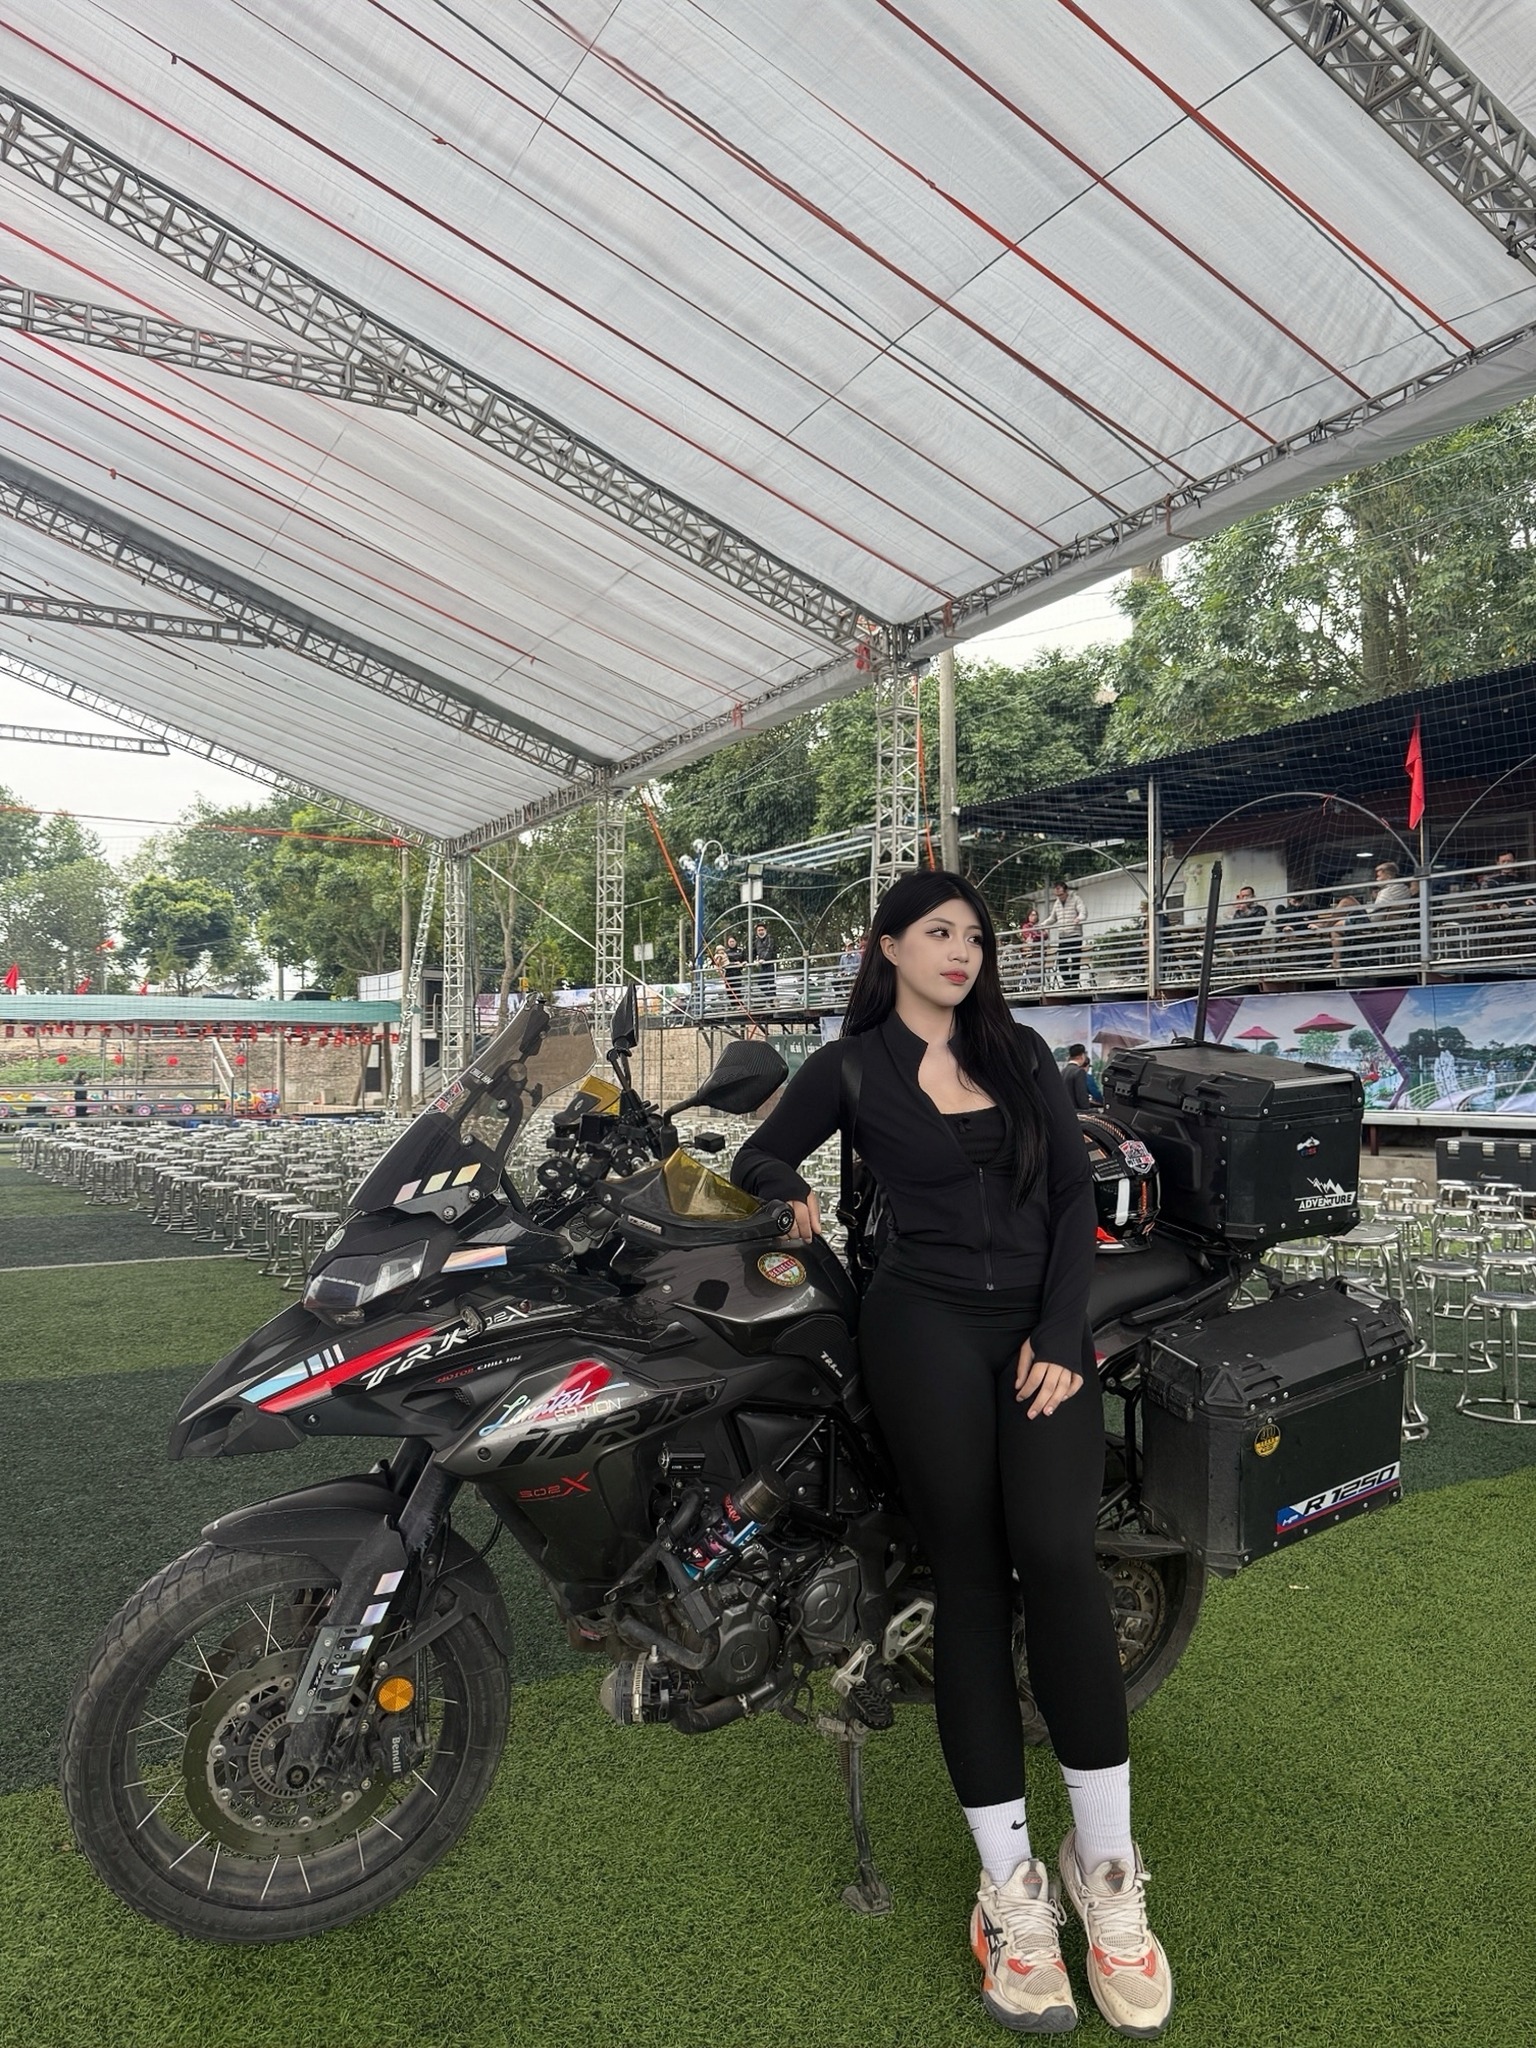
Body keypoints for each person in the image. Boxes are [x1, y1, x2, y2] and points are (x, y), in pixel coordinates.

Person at [732, 871, 1171, 2038]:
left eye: (973, 934)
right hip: (919, 1327)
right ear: (888, 947)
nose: (961, 950)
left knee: (1058, 1557)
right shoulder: (849, 1066)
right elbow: (756, 1158)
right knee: (969, 1579)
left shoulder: (1019, 1053)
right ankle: (1010, 1889)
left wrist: (1063, 1331)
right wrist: (785, 1190)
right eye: (937, 932)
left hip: (1040, 1333)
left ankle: (1108, 1870)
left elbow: (1073, 1192)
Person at [1042, 879, 1085, 987]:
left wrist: (1079, 918)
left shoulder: (1076, 899)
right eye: (1057, 895)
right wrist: (1043, 924)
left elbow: (1083, 911)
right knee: (1061, 962)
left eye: (1061, 894)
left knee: (1075, 961)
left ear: (1066, 891)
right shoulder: (1057, 903)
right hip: (1063, 936)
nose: (1059, 897)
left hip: (1075, 934)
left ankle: (1073, 983)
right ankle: (1069, 983)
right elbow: (1053, 918)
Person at [1062, 1043, 1100, 1113]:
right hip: (1077, 1112)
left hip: (1066, 1110)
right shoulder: (1079, 1071)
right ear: (1082, 1055)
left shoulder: (1063, 1071)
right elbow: (1081, 1097)